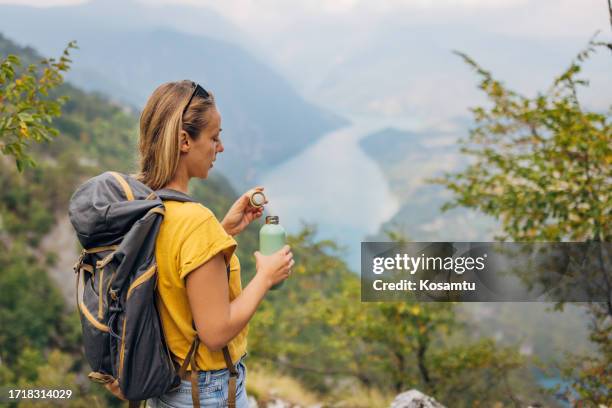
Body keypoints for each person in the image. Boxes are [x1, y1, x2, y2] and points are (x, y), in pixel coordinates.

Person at [138, 80, 294, 407]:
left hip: (170, 386)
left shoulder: (150, 206)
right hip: (207, 391)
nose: (219, 148)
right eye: (214, 137)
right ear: (184, 141)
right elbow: (215, 332)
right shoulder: (195, 222)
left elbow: (176, 276)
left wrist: (222, 232)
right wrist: (266, 276)